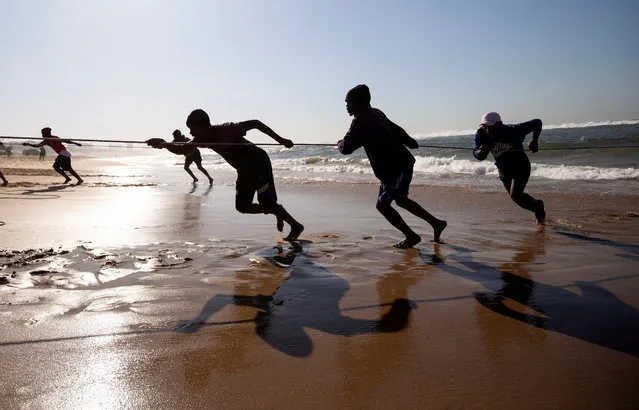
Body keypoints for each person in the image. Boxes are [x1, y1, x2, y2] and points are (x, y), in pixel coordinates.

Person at [337, 84, 447, 248]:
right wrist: (409, 141)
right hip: (399, 166)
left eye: (349, 102)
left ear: (359, 102)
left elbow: (346, 148)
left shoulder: (360, 121)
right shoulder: (376, 113)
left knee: (382, 206)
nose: (346, 106)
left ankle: (412, 236)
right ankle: (436, 224)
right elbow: (396, 130)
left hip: (396, 170)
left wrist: (339, 143)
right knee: (401, 200)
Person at [182, 109, 304, 241]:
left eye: (192, 128)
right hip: (243, 170)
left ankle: (295, 226)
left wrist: (281, 140)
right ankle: (277, 210)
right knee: (242, 206)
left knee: (266, 202)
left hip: (257, 162)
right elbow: (181, 147)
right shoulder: (201, 139)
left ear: (203, 126)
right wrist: (161, 144)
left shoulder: (226, 129)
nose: (190, 133)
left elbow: (256, 123)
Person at [473, 112, 546, 224]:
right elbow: (477, 153)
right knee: (517, 198)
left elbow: (537, 122)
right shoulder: (481, 134)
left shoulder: (514, 130)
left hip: (520, 166)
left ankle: (539, 210)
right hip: (503, 170)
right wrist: (481, 152)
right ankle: (537, 205)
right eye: (485, 127)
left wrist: (535, 141)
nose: (488, 130)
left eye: (491, 127)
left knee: (515, 195)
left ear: (499, 124)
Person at [146, 130, 214, 184]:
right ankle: (195, 179)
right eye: (174, 136)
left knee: (199, 167)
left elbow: (194, 144)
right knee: (186, 168)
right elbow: (170, 146)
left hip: (195, 153)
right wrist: (161, 145)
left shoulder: (186, 139)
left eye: (176, 136)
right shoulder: (175, 141)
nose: (175, 137)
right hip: (188, 155)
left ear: (179, 135)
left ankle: (210, 178)